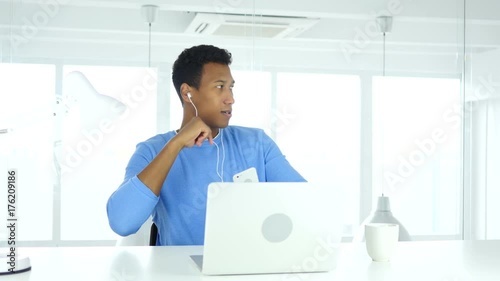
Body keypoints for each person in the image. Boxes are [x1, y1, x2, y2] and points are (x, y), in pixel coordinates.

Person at [106, 45, 305, 246]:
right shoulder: (152, 150)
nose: (231, 99)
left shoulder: (257, 144)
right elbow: (122, 223)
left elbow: (306, 204)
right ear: (187, 93)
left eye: (231, 87)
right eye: (220, 87)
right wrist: (176, 145)